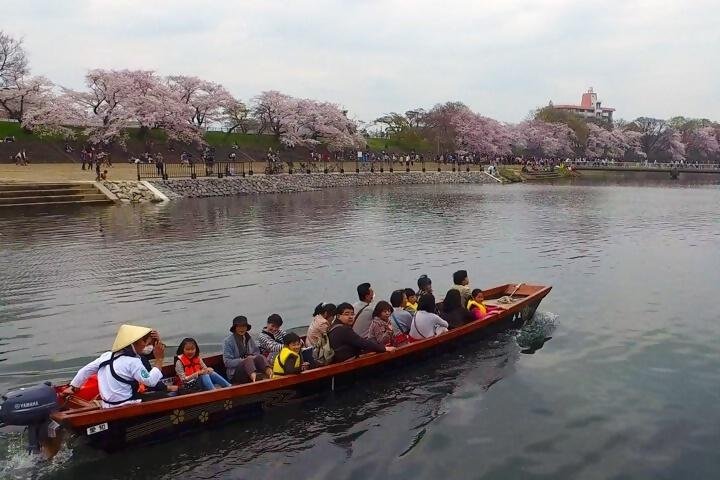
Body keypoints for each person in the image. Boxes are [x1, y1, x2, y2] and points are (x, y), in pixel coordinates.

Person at [62, 324, 167, 408]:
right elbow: (151, 382)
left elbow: (84, 371)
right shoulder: (133, 362)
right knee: (167, 396)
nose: (146, 344)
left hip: (107, 405)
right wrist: (159, 359)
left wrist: (74, 387)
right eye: (144, 341)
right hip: (126, 404)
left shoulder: (106, 356)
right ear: (132, 344)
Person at [328, 302, 396, 363]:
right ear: (338, 316)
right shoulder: (343, 329)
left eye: (352, 314)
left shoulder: (333, 327)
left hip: (339, 360)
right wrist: (384, 348)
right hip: (347, 361)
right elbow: (361, 342)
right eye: (346, 314)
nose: (350, 317)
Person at [223, 316, 273, 383]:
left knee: (260, 357)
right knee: (248, 360)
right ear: (235, 328)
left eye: (244, 326)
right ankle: (254, 380)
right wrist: (243, 360)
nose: (242, 328)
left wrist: (252, 357)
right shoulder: (228, 341)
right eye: (239, 326)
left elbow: (257, 352)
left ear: (246, 327)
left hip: (253, 368)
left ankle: (270, 374)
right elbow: (227, 362)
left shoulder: (249, 338)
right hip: (235, 374)